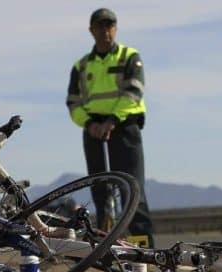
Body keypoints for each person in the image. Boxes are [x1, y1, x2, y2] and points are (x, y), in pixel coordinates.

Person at [66, 8, 155, 247]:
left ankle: (144, 253)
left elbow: (133, 92)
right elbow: (73, 103)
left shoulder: (129, 56)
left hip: (124, 127)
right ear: (91, 30)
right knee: (100, 192)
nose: (105, 30)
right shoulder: (81, 66)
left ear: (115, 28)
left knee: (132, 190)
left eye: (110, 25)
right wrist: (90, 124)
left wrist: (112, 121)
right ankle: (107, 249)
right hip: (93, 129)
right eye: (100, 26)